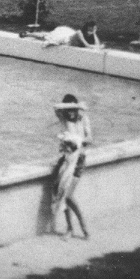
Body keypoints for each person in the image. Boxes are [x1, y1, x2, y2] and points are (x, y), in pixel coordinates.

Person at [51, 94, 91, 239]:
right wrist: (73, 106)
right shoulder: (63, 119)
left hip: (79, 159)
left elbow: (90, 139)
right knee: (63, 194)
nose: (71, 112)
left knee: (68, 195)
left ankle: (83, 225)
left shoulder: (83, 119)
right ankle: (69, 228)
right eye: (69, 110)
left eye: (74, 110)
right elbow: (56, 108)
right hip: (66, 160)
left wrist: (77, 141)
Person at [20, 21, 103, 49]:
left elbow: (97, 44)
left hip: (68, 36)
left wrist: (94, 33)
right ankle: (28, 34)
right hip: (65, 38)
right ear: (86, 29)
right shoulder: (79, 33)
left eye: (93, 30)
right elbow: (87, 45)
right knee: (45, 37)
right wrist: (97, 47)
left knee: (46, 34)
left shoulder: (91, 34)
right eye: (90, 30)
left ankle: (29, 34)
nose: (90, 32)